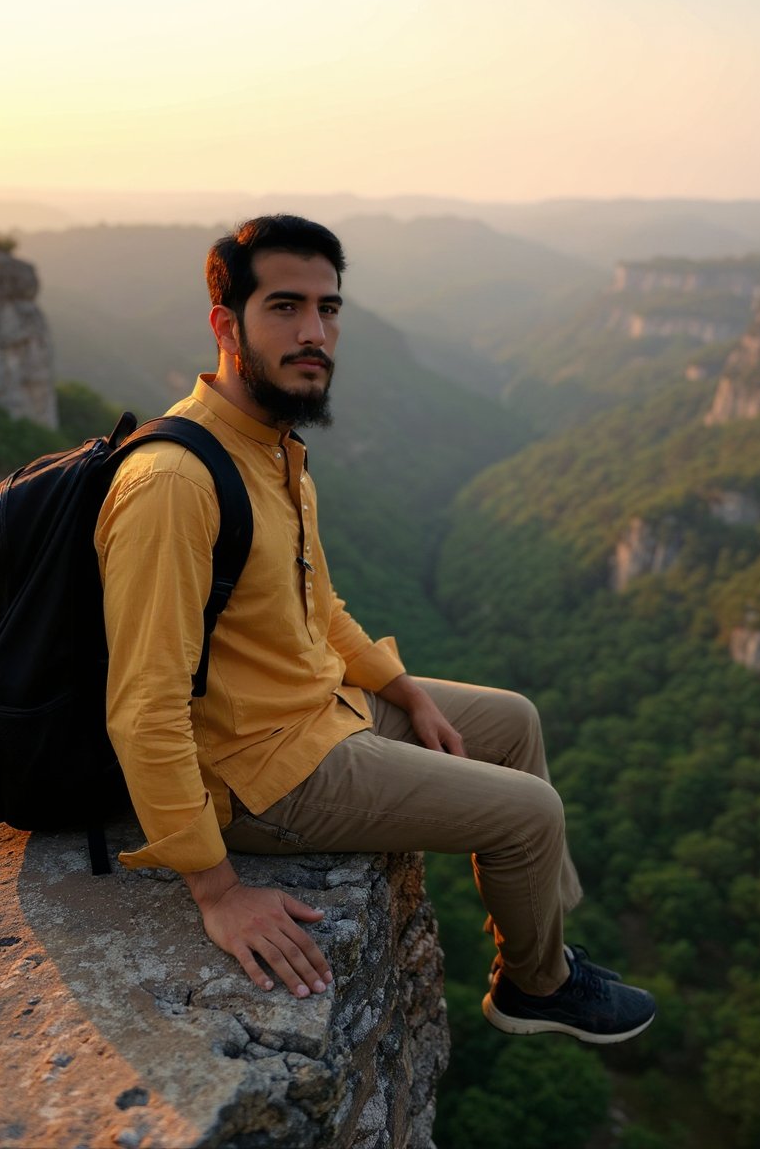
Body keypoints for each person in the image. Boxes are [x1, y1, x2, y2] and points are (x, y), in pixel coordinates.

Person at [95, 215, 656, 1044]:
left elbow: (319, 610)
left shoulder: (271, 452)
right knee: (529, 812)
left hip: (316, 710)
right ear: (225, 324)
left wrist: (403, 691)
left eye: (328, 308)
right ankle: (538, 987)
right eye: (284, 307)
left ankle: (547, 937)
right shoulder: (177, 482)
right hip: (260, 771)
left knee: (513, 719)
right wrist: (217, 892)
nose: (314, 332)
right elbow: (144, 705)